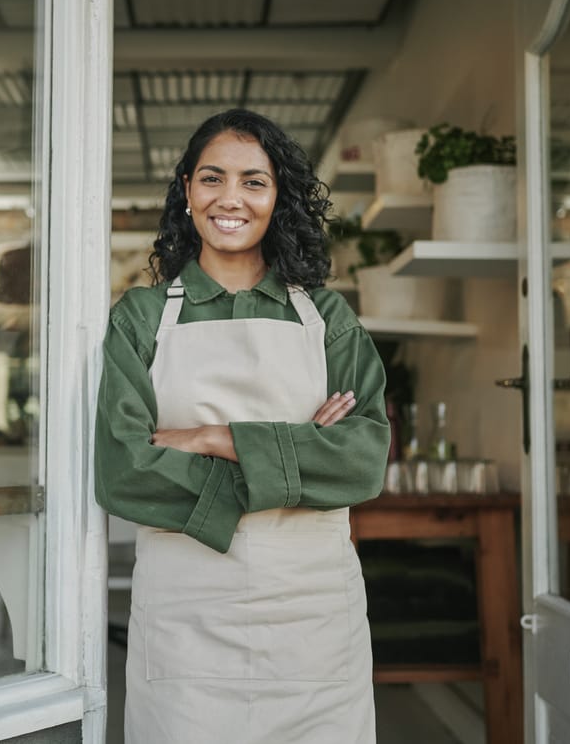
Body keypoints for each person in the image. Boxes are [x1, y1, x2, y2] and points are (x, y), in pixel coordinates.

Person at [95, 109, 390, 743]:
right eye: (211, 178)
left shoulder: (328, 319)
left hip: (311, 622)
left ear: (278, 197)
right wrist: (298, 455)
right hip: (187, 622)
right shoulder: (142, 318)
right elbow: (123, 471)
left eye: (254, 181)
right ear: (187, 191)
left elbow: (363, 459)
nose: (230, 198)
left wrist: (213, 438)